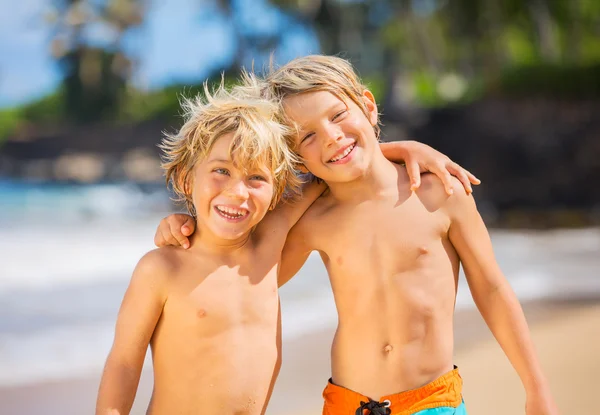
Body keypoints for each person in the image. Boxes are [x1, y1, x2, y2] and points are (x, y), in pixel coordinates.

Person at [156, 55, 559, 415]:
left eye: (337, 116)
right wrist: (186, 229)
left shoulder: (439, 191)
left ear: (367, 105)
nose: (330, 137)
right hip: (347, 405)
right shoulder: (314, 216)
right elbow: (246, 279)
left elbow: (491, 289)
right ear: (296, 157)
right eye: (307, 136)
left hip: (431, 403)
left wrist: (536, 388)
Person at [96, 73, 474, 415]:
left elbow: (335, 165)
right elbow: (124, 363)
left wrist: (404, 148)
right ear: (185, 179)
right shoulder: (163, 268)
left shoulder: (269, 246)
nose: (237, 192)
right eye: (221, 171)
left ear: (277, 189)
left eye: (256, 177)